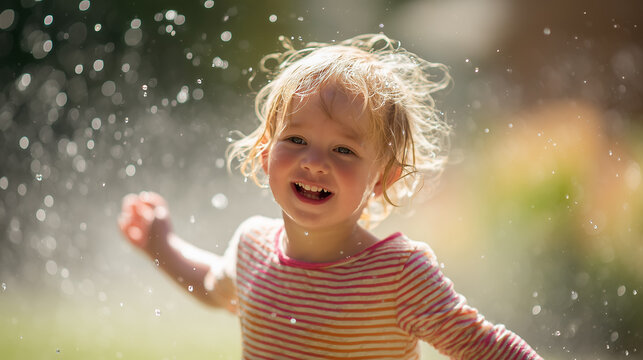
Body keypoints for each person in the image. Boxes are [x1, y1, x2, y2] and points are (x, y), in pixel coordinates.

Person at [118, 34, 543, 359]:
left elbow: (482, 345)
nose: (315, 162)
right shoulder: (252, 248)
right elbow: (214, 287)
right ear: (266, 155)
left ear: (383, 177)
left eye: (344, 150)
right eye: (297, 139)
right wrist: (163, 245)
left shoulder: (397, 274)